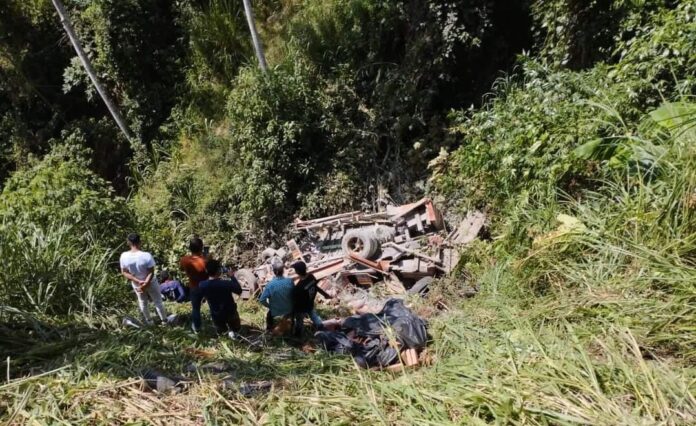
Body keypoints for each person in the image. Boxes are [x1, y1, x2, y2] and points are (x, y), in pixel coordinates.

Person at [119, 233, 167, 325]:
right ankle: (164, 322)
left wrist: (138, 281)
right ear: (140, 242)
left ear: (128, 242)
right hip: (151, 282)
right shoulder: (146, 255)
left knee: (143, 302)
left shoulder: (124, 256)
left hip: (137, 284)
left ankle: (149, 322)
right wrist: (145, 283)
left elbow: (124, 272)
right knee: (158, 301)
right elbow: (151, 272)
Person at [199, 259, 243, 337]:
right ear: (218, 270)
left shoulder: (202, 285)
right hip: (230, 312)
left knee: (223, 335)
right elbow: (239, 290)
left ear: (206, 271)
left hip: (216, 314)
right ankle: (236, 337)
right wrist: (232, 277)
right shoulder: (225, 283)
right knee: (237, 331)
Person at [291, 261, 331, 336]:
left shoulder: (299, 287)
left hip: (302, 308)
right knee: (313, 315)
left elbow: (296, 301)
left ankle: (298, 335)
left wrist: (293, 311)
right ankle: (321, 327)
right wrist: (325, 294)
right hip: (310, 303)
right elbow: (316, 287)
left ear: (297, 271)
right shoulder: (311, 277)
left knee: (299, 321)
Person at [180, 237, 208, 333]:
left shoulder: (184, 260)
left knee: (196, 309)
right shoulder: (205, 260)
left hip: (194, 287)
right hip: (206, 286)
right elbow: (210, 272)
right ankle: (219, 325)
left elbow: (182, 269)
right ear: (201, 248)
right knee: (214, 305)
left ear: (190, 248)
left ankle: (197, 328)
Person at [258, 259, 294, 332]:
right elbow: (294, 294)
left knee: (269, 316)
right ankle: (292, 327)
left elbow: (262, 300)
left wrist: (269, 306)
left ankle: (269, 330)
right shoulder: (290, 281)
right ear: (283, 271)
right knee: (292, 314)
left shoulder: (270, 285)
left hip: (276, 310)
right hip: (289, 309)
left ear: (274, 272)